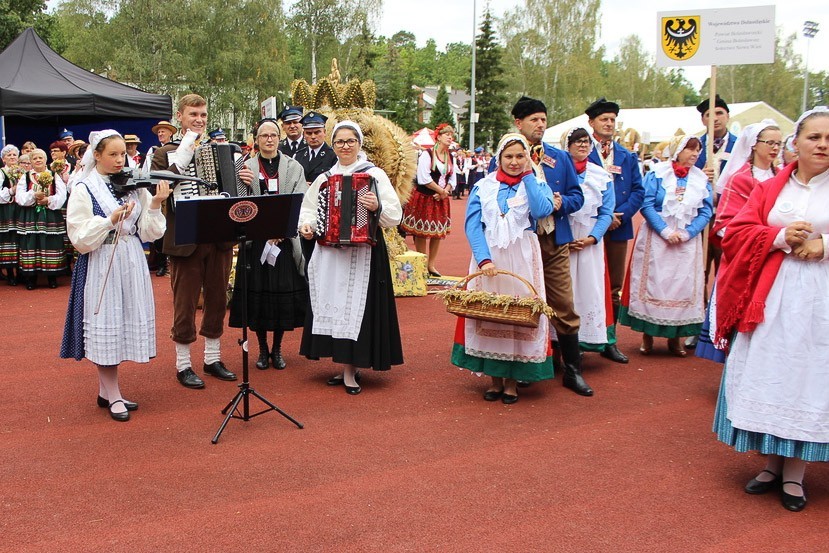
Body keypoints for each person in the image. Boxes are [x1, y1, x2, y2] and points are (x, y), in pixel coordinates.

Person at [713, 107, 829, 512]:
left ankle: (795, 473)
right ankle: (772, 465)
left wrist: (824, 245)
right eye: (814, 137)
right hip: (773, 294)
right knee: (773, 371)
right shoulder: (772, 187)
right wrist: (779, 235)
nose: (823, 144)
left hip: (820, 300)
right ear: (796, 143)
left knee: (806, 375)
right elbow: (737, 233)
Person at [59, 130, 170, 422]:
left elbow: (149, 231)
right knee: (105, 324)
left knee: (121, 323)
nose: (120, 160)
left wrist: (156, 203)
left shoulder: (133, 185)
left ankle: (105, 391)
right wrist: (109, 221)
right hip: (101, 260)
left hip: (131, 258)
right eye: (113, 154)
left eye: (123, 154)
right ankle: (114, 394)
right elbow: (79, 237)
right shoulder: (84, 187)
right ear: (96, 155)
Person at [151, 93, 255, 389]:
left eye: (203, 115)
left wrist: (245, 182)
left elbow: (234, 197)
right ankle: (183, 364)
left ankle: (212, 358)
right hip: (185, 239)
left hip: (219, 238)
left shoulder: (220, 149)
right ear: (180, 117)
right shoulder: (163, 153)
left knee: (217, 299)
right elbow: (165, 184)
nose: (199, 119)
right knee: (184, 302)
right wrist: (185, 147)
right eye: (193, 114)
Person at [298, 120, 404, 395]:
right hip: (330, 254)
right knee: (334, 302)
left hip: (364, 253)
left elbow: (395, 216)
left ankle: (351, 368)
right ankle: (344, 363)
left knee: (358, 306)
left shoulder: (374, 175)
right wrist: (307, 227)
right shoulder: (324, 178)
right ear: (333, 146)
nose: (345, 146)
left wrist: (376, 205)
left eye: (350, 141)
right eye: (340, 142)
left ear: (359, 144)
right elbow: (308, 210)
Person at [452, 132, 554, 403]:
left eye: (520, 156)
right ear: (499, 158)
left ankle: (512, 381)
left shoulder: (536, 183)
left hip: (522, 258)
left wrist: (529, 175)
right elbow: (473, 225)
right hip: (490, 259)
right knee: (490, 312)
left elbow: (542, 210)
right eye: (508, 156)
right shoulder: (482, 186)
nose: (514, 161)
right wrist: (484, 259)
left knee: (519, 314)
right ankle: (495, 379)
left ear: (528, 157)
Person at [511, 96, 592, 396]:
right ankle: (526, 368)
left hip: (555, 240)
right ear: (518, 123)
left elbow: (577, 196)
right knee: (524, 302)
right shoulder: (509, 156)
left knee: (563, 304)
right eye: (534, 119)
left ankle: (572, 370)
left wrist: (560, 203)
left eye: (543, 119)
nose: (541, 124)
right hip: (521, 242)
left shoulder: (559, 157)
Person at [695, 120, 781, 363]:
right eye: (769, 142)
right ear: (754, 145)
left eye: (778, 143)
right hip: (745, 255)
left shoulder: (782, 177)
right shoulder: (740, 179)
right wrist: (761, 234)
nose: (775, 148)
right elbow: (725, 223)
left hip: (775, 256)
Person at [618, 135, 713, 356]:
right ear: (677, 150)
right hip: (658, 237)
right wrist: (665, 230)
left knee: (682, 286)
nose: (694, 154)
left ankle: (676, 337)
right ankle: (648, 334)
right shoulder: (657, 174)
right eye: (689, 149)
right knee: (655, 283)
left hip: (686, 240)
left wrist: (688, 232)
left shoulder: (701, 179)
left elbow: (706, 210)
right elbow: (647, 202)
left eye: (697, 150)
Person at [228, 118, 309, 370]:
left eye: (273, 134)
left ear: (280, 137)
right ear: (257, 139)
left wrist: (281, 231)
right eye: (264, 135)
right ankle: (262, 349)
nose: (269, 139)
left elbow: (300, 204)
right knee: (259, 299)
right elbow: (239, 206)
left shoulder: (294, 167)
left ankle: (278, 349)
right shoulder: (246, 167)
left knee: (280, 299)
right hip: (256, 244)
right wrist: (241, 181)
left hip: (284, 243)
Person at [585, 97, 644, 364]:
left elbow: (638, 191)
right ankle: (585, 336)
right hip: (592, 226)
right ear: (591, 123)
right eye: (604, 119)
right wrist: (603, 216)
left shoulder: (626, 156)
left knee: (614, 287)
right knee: (589, 282)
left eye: (612, 120)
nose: (609, 124)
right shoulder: (582, 151)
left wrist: (621, 214)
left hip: (619, 227)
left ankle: (610, 340)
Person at [687, 95, 738, 349]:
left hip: (731, 219)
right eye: (709, 115)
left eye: (719, 113)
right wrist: (697, 174)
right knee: (699, 272)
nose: (714, 118)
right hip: (701, 218)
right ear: (702, 119)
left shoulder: (741, 145)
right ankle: (699, 326)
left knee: (726, 272)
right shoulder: (696, 147)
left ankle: (726, 324)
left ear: (727, 116)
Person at [563, 128, 615, 354]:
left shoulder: (600, 174)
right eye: (577, 142)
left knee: (589, 287)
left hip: (589, 238)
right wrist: (564, 238)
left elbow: (606, 211)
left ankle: (586, 339)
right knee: (565, 290)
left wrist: (593, 237)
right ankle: (561, 342)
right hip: (564, 237)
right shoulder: (558, 171)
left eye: (585, 142)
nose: (582, 146)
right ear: (567, 145)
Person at [401, 123, 456, 276]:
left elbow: (453, 178)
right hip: (425, 196)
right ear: (438, 137)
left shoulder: (450, 156)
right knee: (421, 232)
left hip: (440, 198)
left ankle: (431, 265)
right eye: (447, 135)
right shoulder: (428, 154)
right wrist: (441, 191)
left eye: (451, 135)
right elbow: (423, 177)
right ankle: (422, 263)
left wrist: (445, 192)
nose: (450, 138)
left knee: (437, 232)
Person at [15, 148, 68, 289]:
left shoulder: (54, 175)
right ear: (31, 161)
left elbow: (62, 195)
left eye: (40, 158)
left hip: (49, 214)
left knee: (51, 243)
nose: (38, 160)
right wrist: (33, 195)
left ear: (45, 160)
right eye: (35, 158)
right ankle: (31, 278)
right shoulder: (25, 177)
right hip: (31, 215)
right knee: (32, 243)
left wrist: (48, 200)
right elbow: (19, 197)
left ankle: (52, 277)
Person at [145, 120, 177, 276]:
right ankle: (159, 261)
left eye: (163, 131)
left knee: (168, 227)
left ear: (171, 133)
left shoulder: (176, 149)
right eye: (159, 132)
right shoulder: (152, 151)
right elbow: (147, 171)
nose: (160, 134)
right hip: (155, 191)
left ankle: (166, 262)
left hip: (171, 193)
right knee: (156, 227)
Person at [295, 111, 336, 184]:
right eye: (309, 133)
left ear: (324, 132)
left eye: (317, 132)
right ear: (303, 134)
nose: (313, 137)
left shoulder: (333, 156)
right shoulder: (298, 156)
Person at [1, 145, 22, 285]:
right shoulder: (2, 173)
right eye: (9, 155)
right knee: (8, 239)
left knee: (21, 238)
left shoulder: (23, 172)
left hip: (20, 209)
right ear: (3, 159)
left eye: (14, 155)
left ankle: (21, 272)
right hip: (7, 209)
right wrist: (11, 191)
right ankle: (9, 273)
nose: (12, 157)